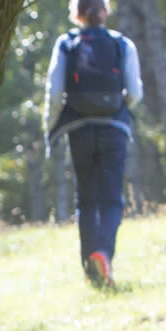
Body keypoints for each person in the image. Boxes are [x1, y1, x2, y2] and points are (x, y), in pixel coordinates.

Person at [45, 0, 143, 288]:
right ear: (105, 11)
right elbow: (135, 91)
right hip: (114, 128)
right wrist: (119, 107)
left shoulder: (66, 43)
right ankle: (104, 255)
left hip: (79, 128)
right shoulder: (122, 43)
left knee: (86, 200)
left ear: (77, 14)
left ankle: (91, 267)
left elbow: (54, 92)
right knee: (112, 198)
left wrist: (50, 126)